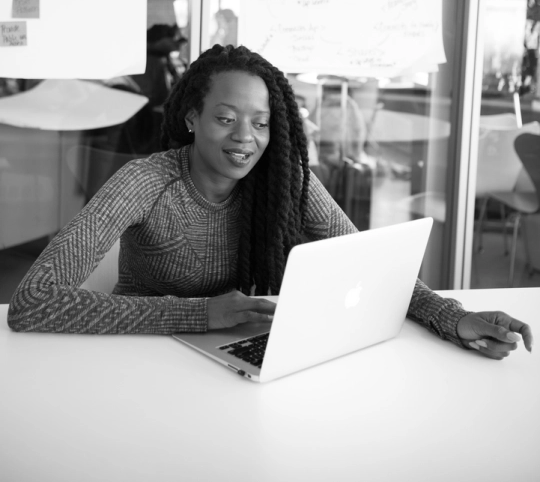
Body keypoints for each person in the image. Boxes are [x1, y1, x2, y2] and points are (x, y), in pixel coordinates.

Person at [8, 45, 533, 360]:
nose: (245, 138)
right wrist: (200, 315)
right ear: (192, 117)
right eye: (225, 117)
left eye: (260, 123)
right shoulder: (146, 182)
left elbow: (372, 266)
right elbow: (34, 303)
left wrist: (450, 316)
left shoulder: (285, 182)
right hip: (138, 354)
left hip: (233, 354)